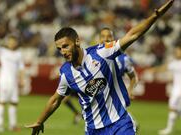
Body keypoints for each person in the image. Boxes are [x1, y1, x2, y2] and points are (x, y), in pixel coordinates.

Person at [26, 0, 174, 135]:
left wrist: (155, 16)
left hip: (120, 123)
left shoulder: (102, 52)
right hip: (93, 130)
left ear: (77, 41)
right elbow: (55, 100)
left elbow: (132, 35)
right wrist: (39, 121)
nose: (63, 51)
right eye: (59, 49)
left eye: (65, 46)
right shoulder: (66, 73)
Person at [147, 42, 181, 135]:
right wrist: (153, 70)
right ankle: (169, 129)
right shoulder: (174, 63)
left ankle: (169, 129)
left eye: (178, 51)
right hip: (176, 89)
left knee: (174, 108)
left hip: (178, 90)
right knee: (174, 108)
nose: (176, 53)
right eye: (176, 51)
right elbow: (164, 68)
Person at [0, 35, 25, 132]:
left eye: (14, 41)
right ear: (7, 42)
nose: (12, 43)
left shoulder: (18, 54)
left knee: (14, 102)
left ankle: (12, 125)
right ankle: (0, 125)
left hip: (14, 81)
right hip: (4, 80)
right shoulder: (2, 51)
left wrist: (21, 80)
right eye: (10, 41)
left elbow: (21, 68)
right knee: (2, 101)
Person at [99, 27, 138, 100]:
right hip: (99, 101)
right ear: (99, 39)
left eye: (109, 36)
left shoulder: (123, 59)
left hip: (116, 101)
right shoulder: (92, 57)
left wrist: (130, 90)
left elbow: (133, 77)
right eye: (103, 36)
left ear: (113, 39)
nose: (106, 39)